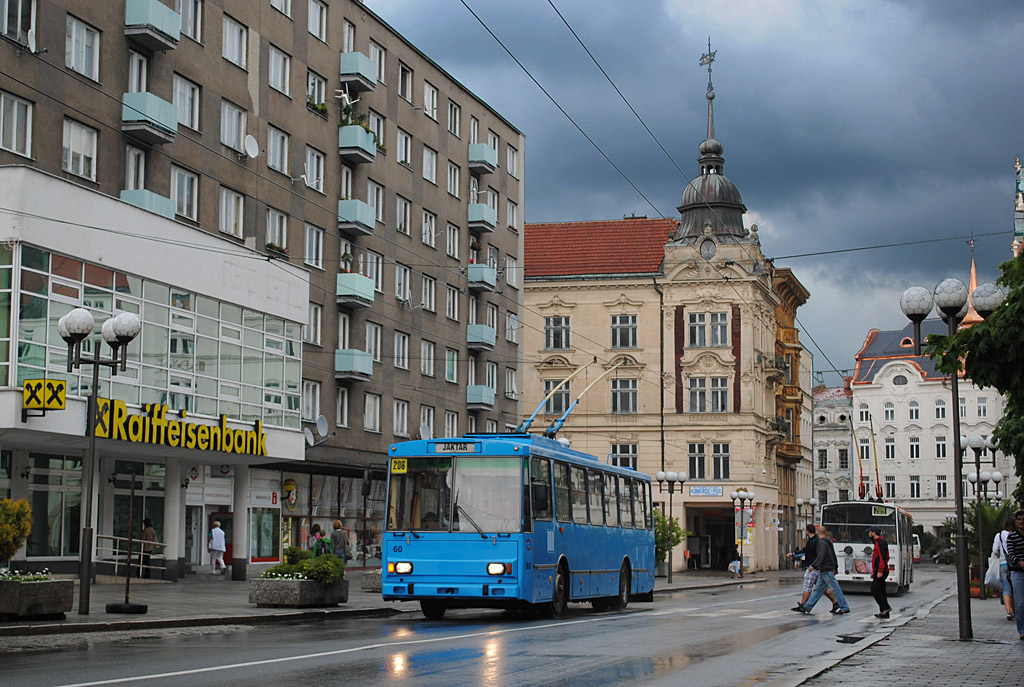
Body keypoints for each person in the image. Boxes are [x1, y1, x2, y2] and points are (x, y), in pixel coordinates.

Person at [795, 526, 850, 615]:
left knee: (835, 589)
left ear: (818, 532)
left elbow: (821, 555)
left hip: (826, 568)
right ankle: (807, 606)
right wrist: (836, 567)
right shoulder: (828, 542)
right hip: (827, 568)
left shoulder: (821, 543)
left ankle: (844, 607)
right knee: (818, 589)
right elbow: (833, 555)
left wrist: (813, 565)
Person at [788, 524, 836, 612]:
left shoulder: (815, 541)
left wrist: (813, 565)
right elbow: (806, 550)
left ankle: (803, 605)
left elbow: (812, 552)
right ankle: (835, 602)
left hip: (813, 566)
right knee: (822, 587)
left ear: (807, 531)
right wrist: (794, 554)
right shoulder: (813, 540)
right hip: (816, 566)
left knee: (807, 584)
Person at [993, 516, 1016, 621]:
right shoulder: (1017, 535)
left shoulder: (999, 535)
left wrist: (1000, 555)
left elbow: (995, 550)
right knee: (1016, 588)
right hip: (1015, 565)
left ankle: (1008, 611)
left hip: (1003, 564)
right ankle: (1016, 612)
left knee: (1006, 589)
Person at [1006, 509, 1024, 640]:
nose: (1021, 522)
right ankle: (1022, 630)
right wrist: (1019, 561)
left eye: (1023, 519)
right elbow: (1010, 554)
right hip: (1018, 572)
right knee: (1020, 603)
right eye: (1019, 519)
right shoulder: (1012, 537)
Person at [868, 526, 891, 618]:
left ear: (873, 533)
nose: (868, 534)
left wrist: (880, 570)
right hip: (879, 570)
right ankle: (884, 612)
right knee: (881, 590)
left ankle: (885, 607)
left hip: (881, 570)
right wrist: (874, 571)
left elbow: (882, 557)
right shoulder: (877, 542)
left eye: (869, 532)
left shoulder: (880, 543)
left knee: (875, 589)